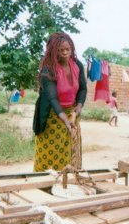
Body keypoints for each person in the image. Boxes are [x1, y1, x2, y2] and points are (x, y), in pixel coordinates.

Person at [32, 32, 87, 172]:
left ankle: (69, 179)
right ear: (54, 50)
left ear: (71, 49)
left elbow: (83, 89)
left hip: (72, 113)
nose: (65, 53)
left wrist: (78, 109)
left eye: (67, 49)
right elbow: (52, 98)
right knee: (50, 154)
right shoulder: (48, 70)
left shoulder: (77, 65)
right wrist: (64, 119)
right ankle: (44, 181)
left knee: (71, 150)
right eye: (61, 50)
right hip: (52, 115)